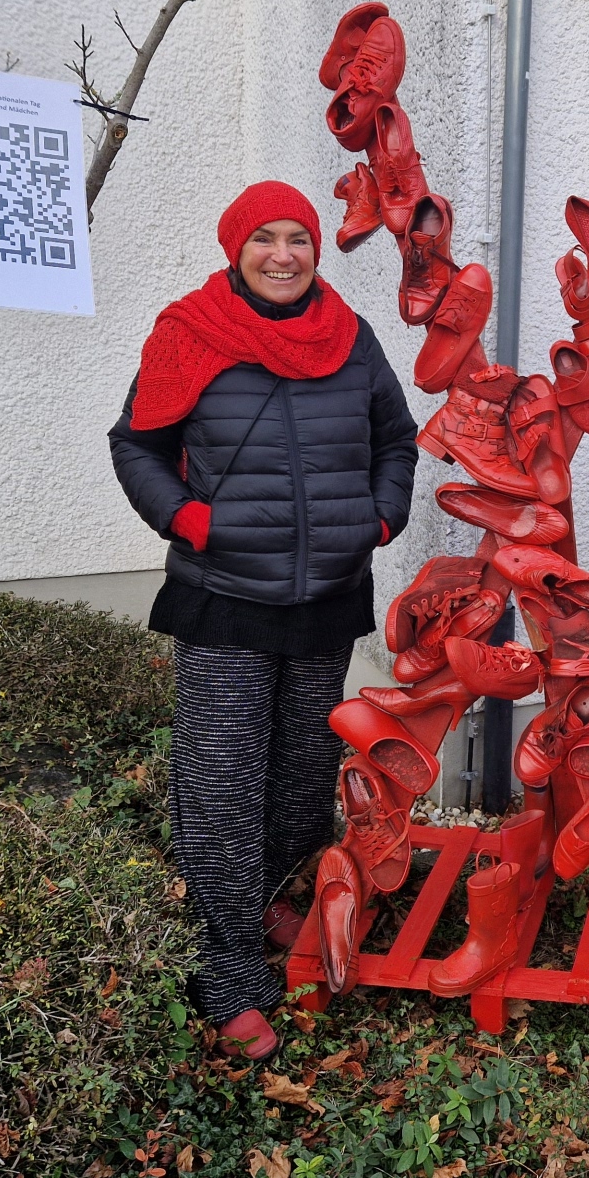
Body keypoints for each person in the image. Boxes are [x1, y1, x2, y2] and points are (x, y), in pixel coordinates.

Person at [109, 181, 418, 1060]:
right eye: (265, 239)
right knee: (222, 787)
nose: (283, 255)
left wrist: (382, 517)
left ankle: (276, 900)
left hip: (326, 595)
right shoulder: (189, 333)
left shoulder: (351, 340)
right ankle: (229, 970)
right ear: (235, 247)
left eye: (299, 240)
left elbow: (398, 438)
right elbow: (136, 442)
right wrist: (188, 518)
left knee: (300, 774)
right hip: (225, 597)